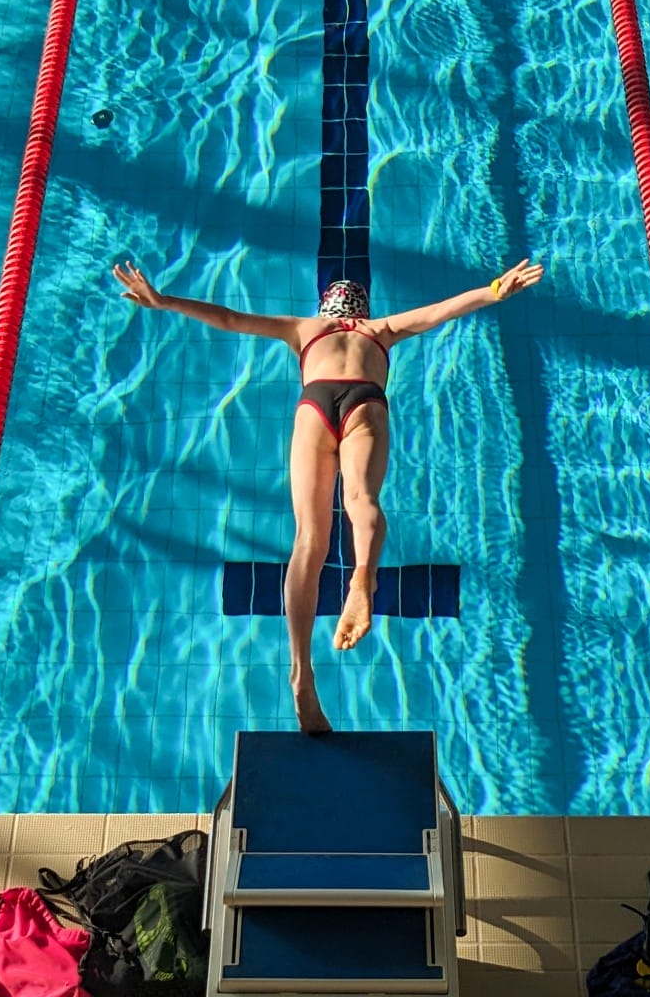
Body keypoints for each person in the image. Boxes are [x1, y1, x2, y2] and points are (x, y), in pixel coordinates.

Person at [112, 257, 545, 732]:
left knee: (308, 540)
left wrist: (165, 301)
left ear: (326, 308)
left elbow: (232, 318)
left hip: (314, 403)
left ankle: (301, 672)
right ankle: (363, 580)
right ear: (360, 309)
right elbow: (440, 311)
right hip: (365, 399)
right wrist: (494, 289)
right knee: (362, 503)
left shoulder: (305, 329)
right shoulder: (378, 329)